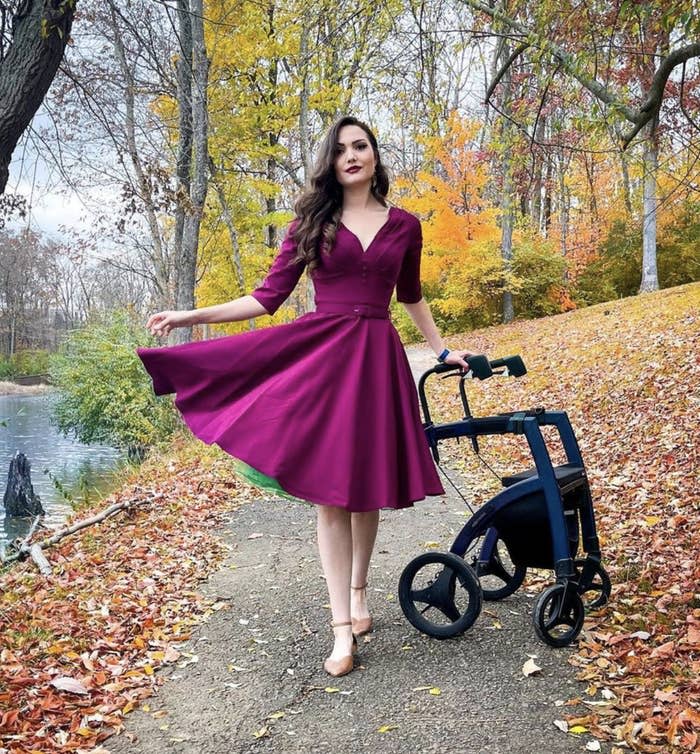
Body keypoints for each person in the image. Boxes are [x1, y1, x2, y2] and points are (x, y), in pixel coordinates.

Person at [137, 116, 474, 678]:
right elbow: (266, 298)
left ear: (374, 155)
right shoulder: (312, 224)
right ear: (330, 162)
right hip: (326, 362)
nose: (351, 156)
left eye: (360, 146)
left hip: (378, 361)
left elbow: (411, 296)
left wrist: (441, 352)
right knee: (332, 496)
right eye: (340, 149)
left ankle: (361, 594)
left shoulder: (406, 225)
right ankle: (341, 629)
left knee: (366, 492)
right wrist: (192, 315)